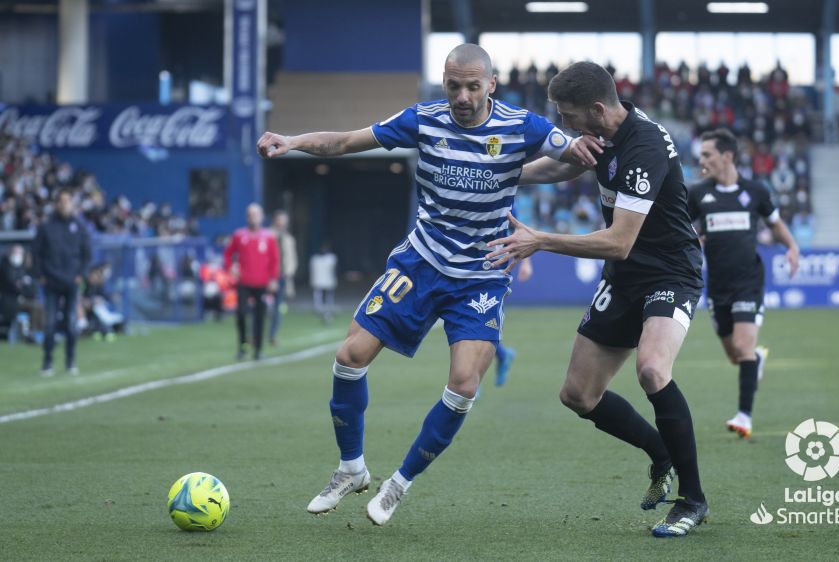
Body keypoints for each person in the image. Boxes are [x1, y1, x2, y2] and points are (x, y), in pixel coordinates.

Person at [257, 43, 595, 526]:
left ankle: (399, 484)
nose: (461, 95)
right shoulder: (423, 119)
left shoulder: (523, 127)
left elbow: (574, 159)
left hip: (481, 272)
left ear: (491, 86)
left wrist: (538, 167)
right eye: (453, 85)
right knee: (349, 357)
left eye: (472, 86)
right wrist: (292, 140)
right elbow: (349, 141)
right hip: (421, 261)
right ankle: (351, 468)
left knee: (463, 383)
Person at [487, 61, 709, 537]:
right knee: (578, 394)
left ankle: (692, 499)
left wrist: (542, 240)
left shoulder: (644, 145)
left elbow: (619, 241)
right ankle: (660, 451)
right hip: (624, 279)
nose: (564, 125)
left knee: (651, 368)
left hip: (670, 272)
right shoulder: (603, 130)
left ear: (595, 108)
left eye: (567, 115)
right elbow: (567, 162)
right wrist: (506, 176)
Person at [688, 128, 800, 439]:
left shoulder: (756, 191)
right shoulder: (698, 194)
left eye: (708, 154)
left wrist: (792, 247)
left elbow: (775, 224)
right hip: (718, 285)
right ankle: (757, 358)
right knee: (735, 355)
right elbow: (681, 227)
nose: (703, 160)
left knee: (742, 346)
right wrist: (693, 238)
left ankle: (744, 416)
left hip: (749, 280)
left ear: (727, 156)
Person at [32, 189, 91, 375]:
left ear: (72, 204)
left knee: (71, 323)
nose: (64, 204)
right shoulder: (46, 227)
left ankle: (70, 361)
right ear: (56, 204)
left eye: (68, 201)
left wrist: (81, 274)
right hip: (51, 281)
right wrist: (40, 274)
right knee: (50, 324)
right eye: (61, 201)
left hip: (72, 282)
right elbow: (36, 253)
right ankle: (47, 362)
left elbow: (86, 254)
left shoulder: (79, 227)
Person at [223, 204, 280, 361]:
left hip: (262, 283)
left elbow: (275, 260)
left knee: (260, 316)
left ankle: (258, 349)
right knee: (241, 313)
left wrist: (273, 279)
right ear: (246, 217)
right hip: (243, 282)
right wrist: (231, 268)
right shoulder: (239, 235)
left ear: (261, 217)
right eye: (250, 215)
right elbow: (228, 254)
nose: (253, 218)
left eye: (255, 215)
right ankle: (242, 346)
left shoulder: (269, 237)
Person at [492, 256, 532, 387]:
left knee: (475, 326)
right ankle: (503, 355)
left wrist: (526, 262)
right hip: (461, 270)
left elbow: (519, 235)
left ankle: (469, 383)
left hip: (489, 274)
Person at [269, 210, 298, 345]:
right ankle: (253, 335)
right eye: (280, 219)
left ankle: (273, 335)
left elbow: (292, 259)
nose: (282, 222)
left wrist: (288, 273)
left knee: (277, 308)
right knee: (258, 307)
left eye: (284, 220)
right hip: (266, 277)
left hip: (281, 276)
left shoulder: (288, 239)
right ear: (275, 220)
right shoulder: (267, 235)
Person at [309, 242, 337, 325]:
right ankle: (320, 310)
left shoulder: (330, 258)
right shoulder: (315, 259)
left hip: (327, 280)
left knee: (327, 296)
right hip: (321, 281)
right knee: (319, 296)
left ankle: (327, 310)